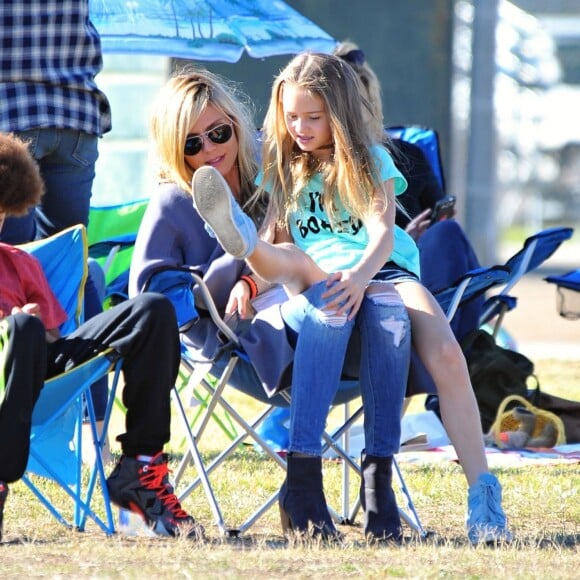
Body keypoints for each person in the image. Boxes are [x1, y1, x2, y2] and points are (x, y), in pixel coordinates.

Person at [192, 52, 511, 545]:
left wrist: (363, 276)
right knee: (289, 257)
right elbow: (283, 234)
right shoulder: (285, 167)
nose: (300, 127)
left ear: (338, 112)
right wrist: (249, 282)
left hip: (382, 271)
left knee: (449, 355)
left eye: (313, 117)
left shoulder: (370, 159)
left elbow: (385, 233)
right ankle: (244, 244)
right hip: (315, 272)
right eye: (292, 116)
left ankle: (483, 495)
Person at [0, 133, 201, 541]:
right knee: (19, 329)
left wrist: (35, 328)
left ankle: (139, 468)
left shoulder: (20, 263)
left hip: (34, 371)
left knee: (153, 309)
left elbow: (56, 341)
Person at [0, 0, 113, 425]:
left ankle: (13, 416)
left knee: (5, 274)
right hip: (74, 113)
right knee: (73, 265)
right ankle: (92, 420)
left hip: (8, 111)